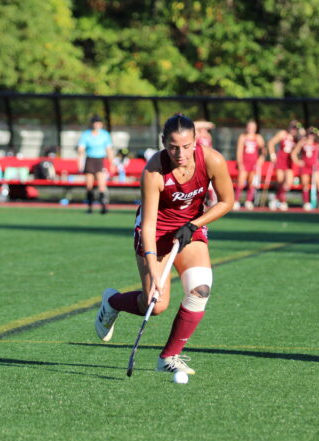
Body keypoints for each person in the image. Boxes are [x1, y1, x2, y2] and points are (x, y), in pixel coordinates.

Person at [94, 113, 234, 375]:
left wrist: (193, 225)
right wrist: (153, 267)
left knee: (200, 290)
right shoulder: (154, 171)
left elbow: (227, 202)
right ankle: (113, 302)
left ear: (196, 141)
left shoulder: (212, 160)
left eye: (186, 146)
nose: (180, 153)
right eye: (172, 146)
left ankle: (169, 356)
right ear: (163, 142)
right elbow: (147, 225)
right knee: (155, 305)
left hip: (189, 229)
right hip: (155, 233)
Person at [77, 115, 114, 214]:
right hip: (90, 160)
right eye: (95, 123)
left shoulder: (105, 135)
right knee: (89, 185)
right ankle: (90, 207)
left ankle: (104, 207)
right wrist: (80, 162)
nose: (97, 125)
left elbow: (109, 150)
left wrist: (112, 163)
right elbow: (81, 150)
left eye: (99, 123)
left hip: (100, 160)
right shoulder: (86, 135)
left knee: (102, 185)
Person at [291, 126, 319, 211]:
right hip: (305, 166)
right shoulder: (303, 142)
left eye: (312, 134)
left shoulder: (317, 143)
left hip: (315, 166)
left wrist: (317, 131)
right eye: (310, 133)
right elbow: (294, 153)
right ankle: (306, 202)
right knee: (305, 185)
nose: (311, 135)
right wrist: (298, 162)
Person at [266, 121, 302, 211]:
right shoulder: (283, 134)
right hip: (280, 160)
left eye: (296, 129)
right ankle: (281, 200)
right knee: (280, 180)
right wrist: (272, 154)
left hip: (289, 162)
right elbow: (271, 143)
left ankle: (277, 199)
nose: (294, 130)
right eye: (293, 128)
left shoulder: (297, 138)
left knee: (288, 182)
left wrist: (301, 132)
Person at [233, 120, 266, 210]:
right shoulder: (243, 137)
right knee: (241, 181)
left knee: (252, 182)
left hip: (253, 163)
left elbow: (263, 150)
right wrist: (240, 163)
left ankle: (248, 201)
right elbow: (239, 150)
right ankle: (236, 201)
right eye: (249, 126)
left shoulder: (258, 137)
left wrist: (261, 159)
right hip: (244, 162)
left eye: (253, 127)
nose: (251, 128)